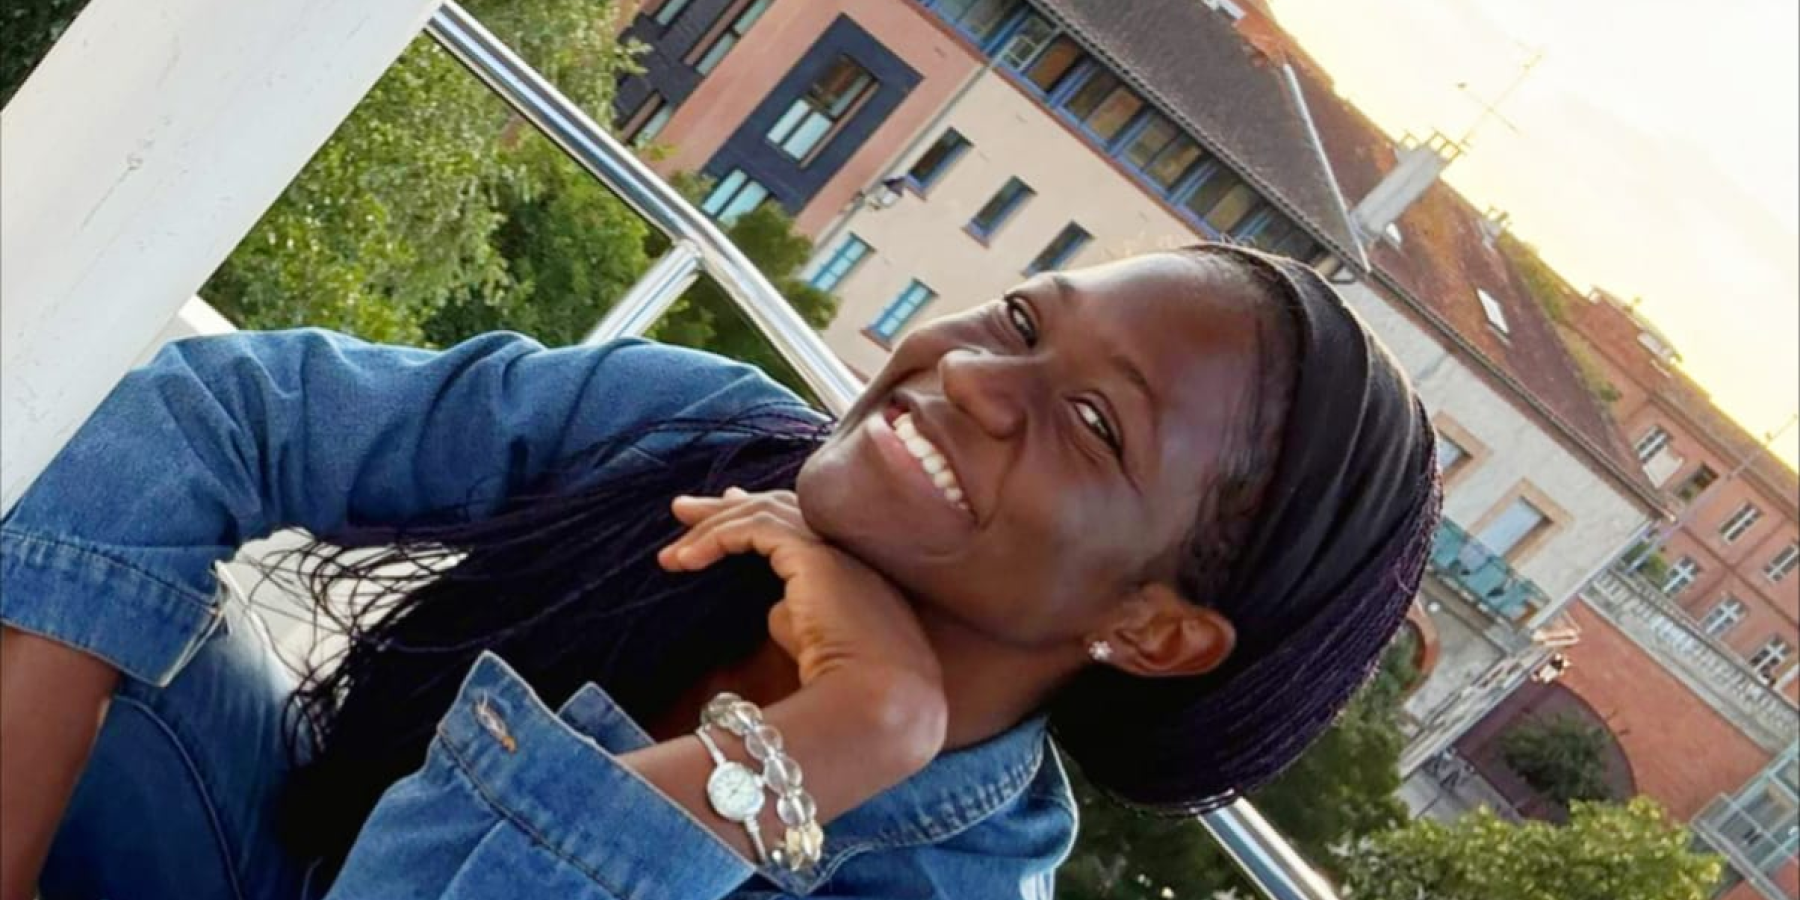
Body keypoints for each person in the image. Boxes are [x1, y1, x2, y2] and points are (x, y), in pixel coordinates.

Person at [0, 244, 1441, 900]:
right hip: (256, 853)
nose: (973, 378)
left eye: (1091, 423)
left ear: (1157, 628)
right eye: (1019, 317)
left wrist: (849, 733)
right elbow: (221, 415)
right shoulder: (692, 434)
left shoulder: (942, 888)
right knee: (71, 597)